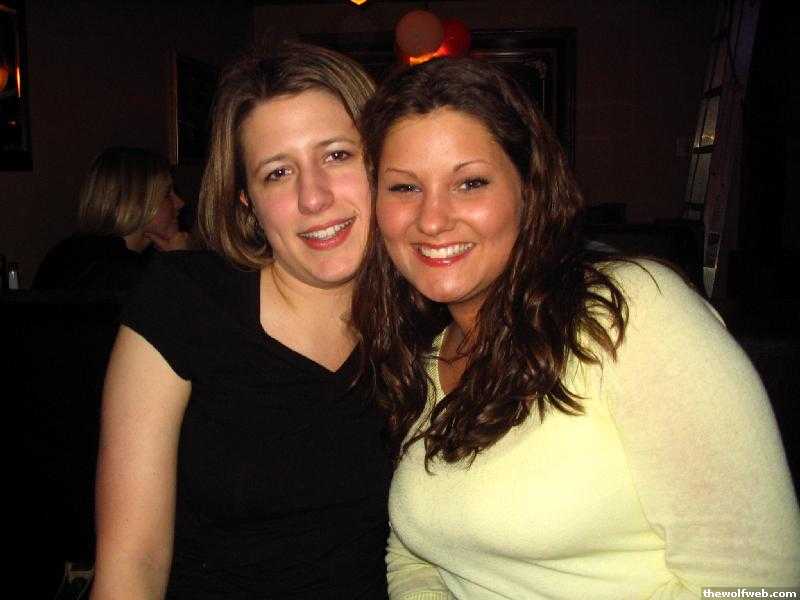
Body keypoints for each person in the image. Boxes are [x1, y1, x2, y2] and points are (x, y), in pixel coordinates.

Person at [351, 57, 800, 599]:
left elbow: (758, 584)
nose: (432, 219)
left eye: (470, 183)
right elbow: (417, 556)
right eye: (404, 188)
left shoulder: (629, 314)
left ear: (530, 190)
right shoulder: (421, 359)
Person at [91, 42, 391, 599]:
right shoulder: (184, 303)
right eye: (277, 173)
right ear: (246, 201)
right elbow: (132, 564)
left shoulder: (427, 316)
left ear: (382, 163)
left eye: (336, 155)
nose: (314, 198)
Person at [33, 146, 188, 291]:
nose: (180, 203)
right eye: (167, 194)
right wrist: (180, 263)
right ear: (134, 202)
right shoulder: (116, 272)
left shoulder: (69, 253)